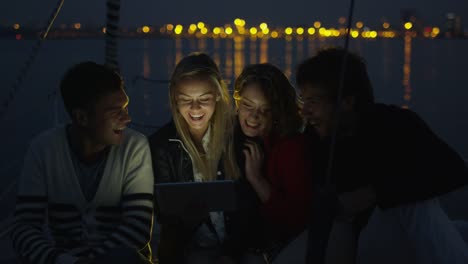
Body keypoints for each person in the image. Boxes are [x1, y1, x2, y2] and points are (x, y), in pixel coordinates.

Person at [296, 47, 468, 264]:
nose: (305, 111)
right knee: (416, 207)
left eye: (313, 101)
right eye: (304, 100)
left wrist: (375, 193)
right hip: (356, 242)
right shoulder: (315, 140)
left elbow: (454, 170)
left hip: (396, 230)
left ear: (347, 101)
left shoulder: (394, 124)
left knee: (416, 205)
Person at [10, 62, 154, 264]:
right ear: (82, 117)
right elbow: (24, 226)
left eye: (126, 107)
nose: (127, 118)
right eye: (116, 111)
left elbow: (138, 227)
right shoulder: (44, 149)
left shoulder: (135, 147)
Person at [149, 53, 256, 264]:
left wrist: (231, 254)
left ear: (217, 94)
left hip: (237, 249)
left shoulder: (236, 137)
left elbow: (250, 210)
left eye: (204, 99)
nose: (195, 108)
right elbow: (164, 219)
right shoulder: (161, 146)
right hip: (189, 250)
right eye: (186, 100)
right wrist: (188, 220)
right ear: (175, 99)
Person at [233, 63, 311, 261]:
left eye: (265, 110)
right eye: (247, 105)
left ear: (278, 112)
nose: (253, 116)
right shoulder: (245, 140)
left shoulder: (290, 149)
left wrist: (257, 179)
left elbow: (297, 220)